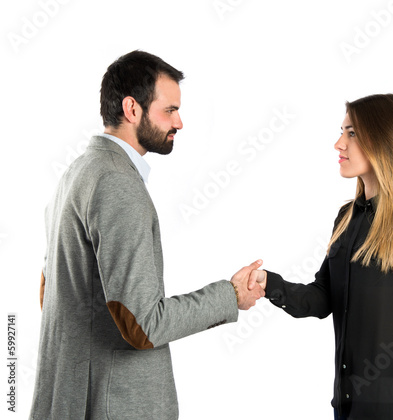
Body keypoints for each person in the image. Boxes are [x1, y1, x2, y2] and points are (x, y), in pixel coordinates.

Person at [30, 50, 265, 420]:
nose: (180, 122)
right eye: (169, 110)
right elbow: (141, 325)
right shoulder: (116, 184)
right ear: (132, 109)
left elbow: (51, 292)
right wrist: (230, 296)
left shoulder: (78, 171)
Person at [249, 94, 393, 420]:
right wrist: (269, 284)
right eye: (342, 131)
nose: (339, 144)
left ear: (385, 139)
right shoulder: (347, 218)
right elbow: (323, 297)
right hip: (350, 407)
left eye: (351, 133)